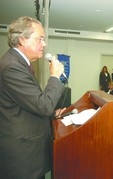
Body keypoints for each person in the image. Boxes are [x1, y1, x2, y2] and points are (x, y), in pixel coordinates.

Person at [0, 16, 66, 179]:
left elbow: (28, 102)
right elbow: (43, 105)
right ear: (22, 39)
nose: (44, 44)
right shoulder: (12, 66)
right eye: (40, 39)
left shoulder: (19, 62)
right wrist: (55, 77)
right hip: (22, 155)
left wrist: (52, 114)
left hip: (28, 148)